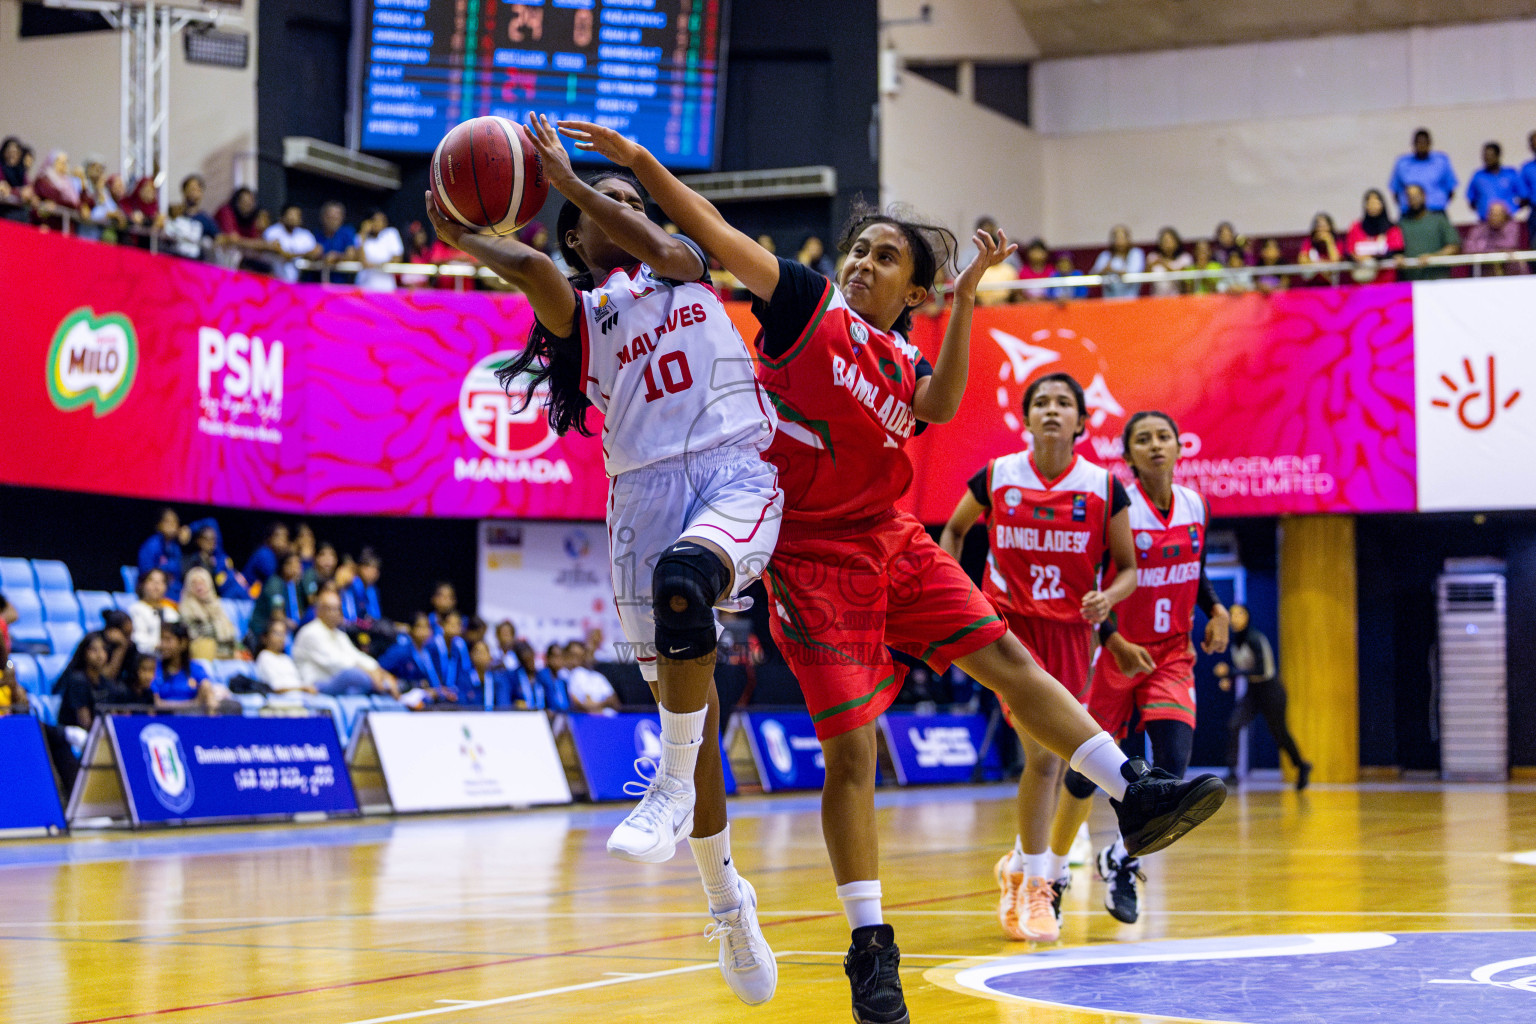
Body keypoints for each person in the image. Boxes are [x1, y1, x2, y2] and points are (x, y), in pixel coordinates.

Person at [562, 117, 1228, 1022]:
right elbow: (712, 233)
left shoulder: (904, 355)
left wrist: (970, 295)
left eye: (884, 258)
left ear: (914, 289)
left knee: (1009, 661)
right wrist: (641, 163)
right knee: (853, 752)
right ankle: (870, 946)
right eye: (860, 249)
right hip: (811, 558)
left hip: (893, 537)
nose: (863, 263)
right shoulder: (804, 302)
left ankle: (1134, 790)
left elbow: (941, 403)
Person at [425, 114, 783, 1007]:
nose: (620, 207)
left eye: (631, 200)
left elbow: (655, 239)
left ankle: (663, 787)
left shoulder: (686, 264)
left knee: (685, 586)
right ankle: (727, 902)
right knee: (690, 709)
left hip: (734, 471)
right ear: (577, 242)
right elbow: (530, 269)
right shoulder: (580, 315)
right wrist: (463, 236)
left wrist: (578, 183)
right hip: (641, 501)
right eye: (597, 207)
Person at [938, 372, 1137, 944]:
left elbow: (1127, 568)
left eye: (1064, 403)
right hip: (1009, 631)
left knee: (1062, 760)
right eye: (1041, 403)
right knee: (1046, 759)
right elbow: (953, 532)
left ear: (1081, 421)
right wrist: (959, 594)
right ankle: (1035, 881)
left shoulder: (1103, 487)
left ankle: (1020, 867)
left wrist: (1109, 597)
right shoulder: (998, 475)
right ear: (1026, 418)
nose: (1052, 410)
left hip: (1071, 635)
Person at [1065, 411, 1231, 926]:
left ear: (1180, 446)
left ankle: (1120, 859)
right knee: (1083, 775)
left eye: (1163, 437)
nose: (1155, 445)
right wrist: (1113, 640)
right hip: (1117, 652)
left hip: (1172, 653)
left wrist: (1217, 609)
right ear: (1128, 455)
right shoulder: (1118, 510)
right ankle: (1052, 864)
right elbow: (1093, 584)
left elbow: (1195, 569)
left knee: (1173, 770)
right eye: (1143, 439)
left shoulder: (1196, 504)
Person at [1218, 604, 1310, 791]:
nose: (1235, 617)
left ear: (1247, 617)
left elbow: (1261, 669)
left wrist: (1232, 673)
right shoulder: (1235, 641)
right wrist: (1228, 678)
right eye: (1232, 614)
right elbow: (1242, 667)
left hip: (1270, 690)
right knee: (1234, 724)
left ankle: (1302, 765)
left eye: (1239, 613)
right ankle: (1232, 772)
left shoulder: (1255, 638)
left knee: (1279, 734)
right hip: (1253, 691)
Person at [292, 591, 400, 697]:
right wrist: (370, 672)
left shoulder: (339, 634)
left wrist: (378, 670)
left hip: (341, 684)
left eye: (338, 609)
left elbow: (356, 655)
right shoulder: (311, 632)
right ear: (318, 611)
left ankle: (385, 687)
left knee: (381, 678)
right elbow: (337, 664)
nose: (336, 613)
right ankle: (381, 687)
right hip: (318, 684)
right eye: (330, 609)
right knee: (353, 675)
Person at [54, 633, 130, 736]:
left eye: (103, 649)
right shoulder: (77, 680)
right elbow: (85, 723)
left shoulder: (106, 682)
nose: (100, 655)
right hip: (76, 735)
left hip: (100, 733)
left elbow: (113, 714)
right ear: (84, 653)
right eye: (94, 650)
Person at [378, 611, 455, 706]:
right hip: (402, 701)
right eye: (420, 627)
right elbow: (379, 669)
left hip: (425, 702)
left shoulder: (430, 652)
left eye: (427, 627)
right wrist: (393, 683)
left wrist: (438, 691)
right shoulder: (401, 651)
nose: (425, 631)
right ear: (411, 629)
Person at [1397, 184, 1460, 282]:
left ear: (1424, 196)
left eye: (1416, 196)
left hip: (1437, 281)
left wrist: (1433, 257)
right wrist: (1398, 257)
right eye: (1409, 197)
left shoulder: (1439, 220)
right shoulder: (1402, 224)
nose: (1413, 200)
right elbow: (1394, 250)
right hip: (1409, 283)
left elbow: (1454, 247)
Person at [1342, 189, 1405, 285]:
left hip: (1386, 282)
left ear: (1382, 205)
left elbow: (1395, 252)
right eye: (1369, 203)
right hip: (1360, 283)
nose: (1373, 206)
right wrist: (1356, 258)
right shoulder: (1356, 227)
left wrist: (1371, 257)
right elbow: (1348, 252)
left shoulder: (1392, 229)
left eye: (1376, 202)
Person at [178, 567, 242, 660]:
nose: (199, 587)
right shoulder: (186, 610)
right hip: (204, 657)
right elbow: (196, 637)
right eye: (194, 583)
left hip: (228, 657)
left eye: (202, 582)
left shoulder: (219, 606)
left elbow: (232, 636)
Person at [1389, 128, 1457, 213]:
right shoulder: (1402, 163)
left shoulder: (1441, 161)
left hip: (1435, 211)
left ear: (1429, 143)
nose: (1421, 146)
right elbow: (1396, 191)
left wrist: (1438, 205)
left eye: (1424, 142)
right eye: (1418, 142)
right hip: (1409, 213)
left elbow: (1450, 190)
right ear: (1413, 144)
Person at [250, 551, 304, 648]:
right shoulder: (275, 584)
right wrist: (297, 626)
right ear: (284, 566)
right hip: (261, 635)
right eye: (294, 564)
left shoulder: (291, 586)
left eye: (299, 564)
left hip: (278, 631)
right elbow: (277, 615)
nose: (298, 568)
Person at [181, 520, 249, 598]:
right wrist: (190, 529)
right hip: (212, 597)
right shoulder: (192, 561)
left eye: (213, 539)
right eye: (207, 539)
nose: (211, 542)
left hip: (232, 595)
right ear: (198, 541)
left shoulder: (219, 557)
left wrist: (235, 574)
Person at [1465, 141, 1525, 221]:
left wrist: (1512, 210)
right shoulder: (1478, 176)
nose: (1488, 158)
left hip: (1507, 221)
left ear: (1498, 156)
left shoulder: (1510, 174)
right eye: (1485, 156)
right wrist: (1482, 211)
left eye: (1491, 155)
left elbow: (1524, 197)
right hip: (1485, 221)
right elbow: (1471, 200)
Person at [1463, 200, 1527, 275]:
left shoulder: (1512, 227)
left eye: (1498, 215)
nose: (1494, 218)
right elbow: (1468, 248)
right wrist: (1496, 250)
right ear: (1487, 215)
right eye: (1492, 214)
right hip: (1484, 270)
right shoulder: (1478, 229)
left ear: (1505, 216)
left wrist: (1486, 248)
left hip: (1509, 270)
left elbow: (1510, 245)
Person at [128, 567, 180, 656]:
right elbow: (137, 638)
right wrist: (159, 646)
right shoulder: (135, 609)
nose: (156, 585)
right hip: (144, 657)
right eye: (152, 581)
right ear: (142, 585)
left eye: (161, 582)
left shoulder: (171, 611)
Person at [254, 619, 313, 695]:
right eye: (277, 634)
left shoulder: (286, 658)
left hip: (300, 696)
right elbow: (276, 688)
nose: (281, 638)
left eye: (284, 634)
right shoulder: (264, 656)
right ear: (265, 637)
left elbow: (297, 681)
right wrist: (302, 689)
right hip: (280, 699)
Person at [138, 508, 188, 595]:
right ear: (159, 525)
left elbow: (178, 573)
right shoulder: (151, 545)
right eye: (168, 521)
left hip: (175, 590)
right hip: (156, 590)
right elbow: (146, 573)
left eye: (175, 522)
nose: (172, 526)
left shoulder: (175, 546)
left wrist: (189, 530)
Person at [264, 205, 319, 283]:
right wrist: (305, 254)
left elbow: (316, 252)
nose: (293, 218)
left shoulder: (306, 235)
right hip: (274, 280)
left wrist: (294, 255)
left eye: (296, 215)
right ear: (282, 217)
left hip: (299, 282)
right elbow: (284, 255)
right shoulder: (273, 231)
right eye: (290, 214)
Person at [564, 639, 620, 713]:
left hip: (605, 715)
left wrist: (598, 706)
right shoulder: (571, 674)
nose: (576, 660)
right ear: (565, 656)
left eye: (580, 656)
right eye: (573, 655)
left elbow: (615, 702)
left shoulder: (596, 676)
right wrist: (603, 704)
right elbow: (585, 704)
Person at [1090, 224, 1145, 297]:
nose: (1119, 241)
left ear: (1128, 239)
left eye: (1122, 238)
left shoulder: (1136, 253)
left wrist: (1113, 270)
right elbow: (1091, 279)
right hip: (1109, 300)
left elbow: (1134, 274)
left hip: (1131, 299)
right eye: (1116, 238)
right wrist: (1104, 270)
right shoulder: (1105, 255)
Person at [356, 208, 404, 291]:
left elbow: (397, 259)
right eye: (374, 220)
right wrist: (363, 233)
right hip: (364, 287)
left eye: (381, 220)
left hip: (386, 287)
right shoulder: (361, 237)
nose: (377, 223)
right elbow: (362, 261)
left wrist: (376, 265)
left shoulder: (391, 233)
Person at [1296, 213, 1341, 286]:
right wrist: (1322, 265)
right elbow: (1302, 260)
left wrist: (1329, 242)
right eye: (1319, 226)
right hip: (1311, 285)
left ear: (1330, 227)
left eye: (1324, 226)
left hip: (1331, 285)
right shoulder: (1309, 241)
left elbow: (1335, 262)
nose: (1321, 229)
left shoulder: (1337, 242)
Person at [1145, 227, 1191, 297]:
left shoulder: (1185, 258)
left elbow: (1181, 278)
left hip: (1177, 298)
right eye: (1165, 241)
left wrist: (1163, 263)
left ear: (1177, 242)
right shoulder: (1153, 257)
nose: (1167, 244)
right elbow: (1145, 280)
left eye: (1170, 240)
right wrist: (1150, 266)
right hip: (1156, 298)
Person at [244, 522, 290, 588]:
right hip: (245, 592)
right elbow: (274, 581)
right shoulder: (264, 554)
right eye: (280, 537)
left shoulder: (273, 555)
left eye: (286, 537)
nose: (283, 541)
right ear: (270, 537)